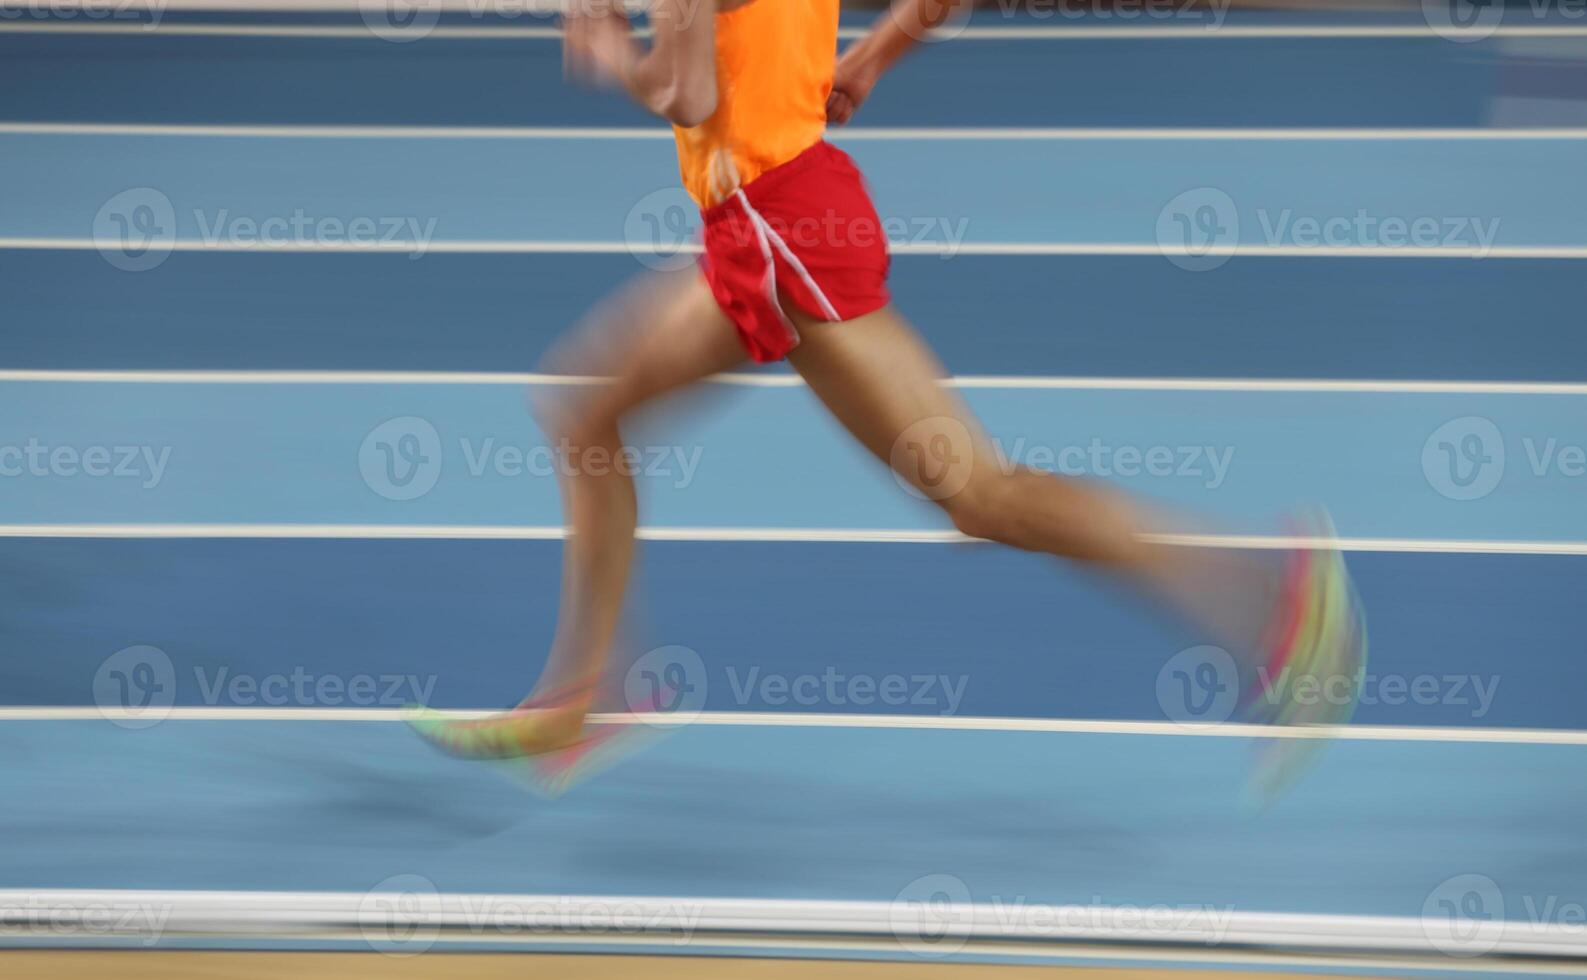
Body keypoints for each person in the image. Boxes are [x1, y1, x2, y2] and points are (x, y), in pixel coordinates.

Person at [409, 0, 1366, 794]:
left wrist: (613, 51)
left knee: (980, 497)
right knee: (585, 408)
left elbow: (684, 89)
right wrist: (869, 53)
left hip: (786, 237)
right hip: (764, 229)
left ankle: (1273, 598)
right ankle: (585, 692)